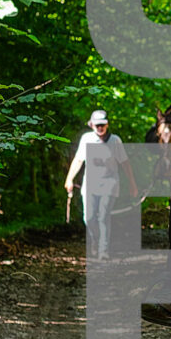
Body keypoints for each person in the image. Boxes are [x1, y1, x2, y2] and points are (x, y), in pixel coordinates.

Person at [66, 109, 127, 255]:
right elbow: (78, 160)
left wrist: (132, 184)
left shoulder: (115, 141)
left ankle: (103, 250)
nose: (100, 127)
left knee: (104, 217)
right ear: (91, 125)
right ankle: (96, 240)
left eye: (102, 125)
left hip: (110, 184)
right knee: (89, 218)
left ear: (107, 125)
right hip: (90, 186)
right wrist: (69, 179)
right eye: (97, 125)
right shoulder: (86, 139)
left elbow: (125, 163)